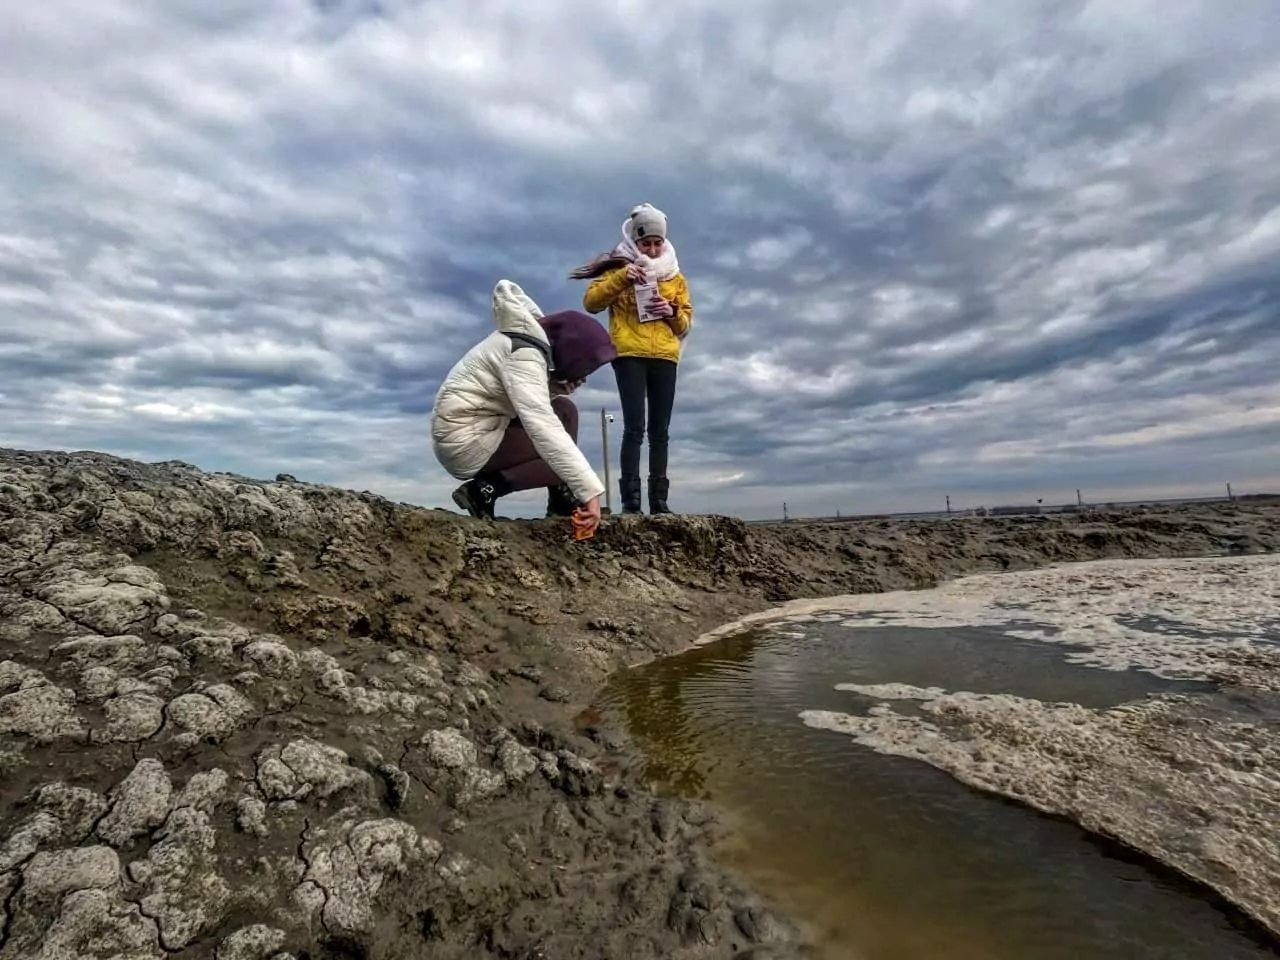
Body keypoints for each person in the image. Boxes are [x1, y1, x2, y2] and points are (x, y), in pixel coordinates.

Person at [431, 279, 617, 535]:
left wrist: (559, 385)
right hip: (466, 442)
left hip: (477, 429)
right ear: (571, 354)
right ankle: (484, 489)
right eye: (583, 369)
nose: (583, 378)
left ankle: (560, 500)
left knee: (565, 410)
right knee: (554, 441)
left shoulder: (526, 343)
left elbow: (524, 396)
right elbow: (543, 427)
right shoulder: (524, 353)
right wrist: (591, 496)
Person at [571, 203, 694, 515]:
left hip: (665, 356)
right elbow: (591, 303)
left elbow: (686, 323)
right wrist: (623, 277)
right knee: (634, 427)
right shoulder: (618, 268)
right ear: (634, 241)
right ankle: (631, 501)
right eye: (645, 243)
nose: (652, 249)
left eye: (657, 242)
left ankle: (660, 502)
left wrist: (673, 312)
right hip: (628, 354)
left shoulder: (676, 277)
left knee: (660, 430)